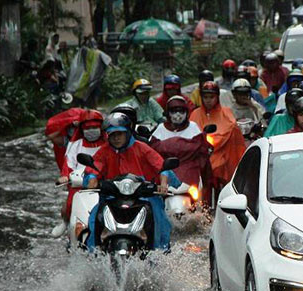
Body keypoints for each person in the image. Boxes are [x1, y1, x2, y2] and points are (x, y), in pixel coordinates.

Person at [82, 113, 179, 251]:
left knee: (160, 222)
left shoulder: (142, 148)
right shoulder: (104, 151)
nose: (116, 138)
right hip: (112, 198)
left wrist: (163, 184)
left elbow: (161, 167)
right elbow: (93, 169)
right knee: (94, 220)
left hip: (143, 197)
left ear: (127, 133)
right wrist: (92, 180)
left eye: (119, 134)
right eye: (112, 135)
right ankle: (94, 255)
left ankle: (159, 255)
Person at [51, 110, 106, 237]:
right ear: (82, 129)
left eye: (94, 127)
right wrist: (65, 176)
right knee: (69, 204)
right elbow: (68, 164)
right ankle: (66, 222)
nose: (91, 130)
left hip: (104, 183)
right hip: (80, 185)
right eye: (88, 128)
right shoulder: (75, 145)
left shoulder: (108, 144)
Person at [189, 81, 246, 196]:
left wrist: (216, 139)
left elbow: (231, 127)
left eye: (211, 97)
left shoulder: (226, 112)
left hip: (222, 152)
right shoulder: (195, 114)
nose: (208, 100)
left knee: (218, 165)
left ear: (217, 97)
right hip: (200, 154)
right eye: (205, 97)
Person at [150, 96, 212, 197]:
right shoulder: (161, 129)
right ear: (168, 113)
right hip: (165, 174)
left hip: (190, 172)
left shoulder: (193, 127)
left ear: (187, 113)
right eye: (174, 111)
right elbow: (153, 152)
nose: (177, 115)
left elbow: (203, 152)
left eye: (181, 111)